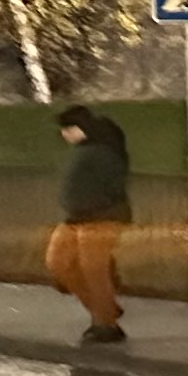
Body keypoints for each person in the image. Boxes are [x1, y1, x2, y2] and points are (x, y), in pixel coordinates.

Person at [47, 106, 131, 346]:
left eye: (68, 129)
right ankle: (106, 309)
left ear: (80, 128)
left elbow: (115, 185)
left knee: (94, 271)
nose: (64, 134)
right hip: (75, 218)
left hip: (100, 219)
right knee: (58, 263)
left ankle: (106, 324)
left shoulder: (104, 151)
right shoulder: (84, 150)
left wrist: (95, 204)